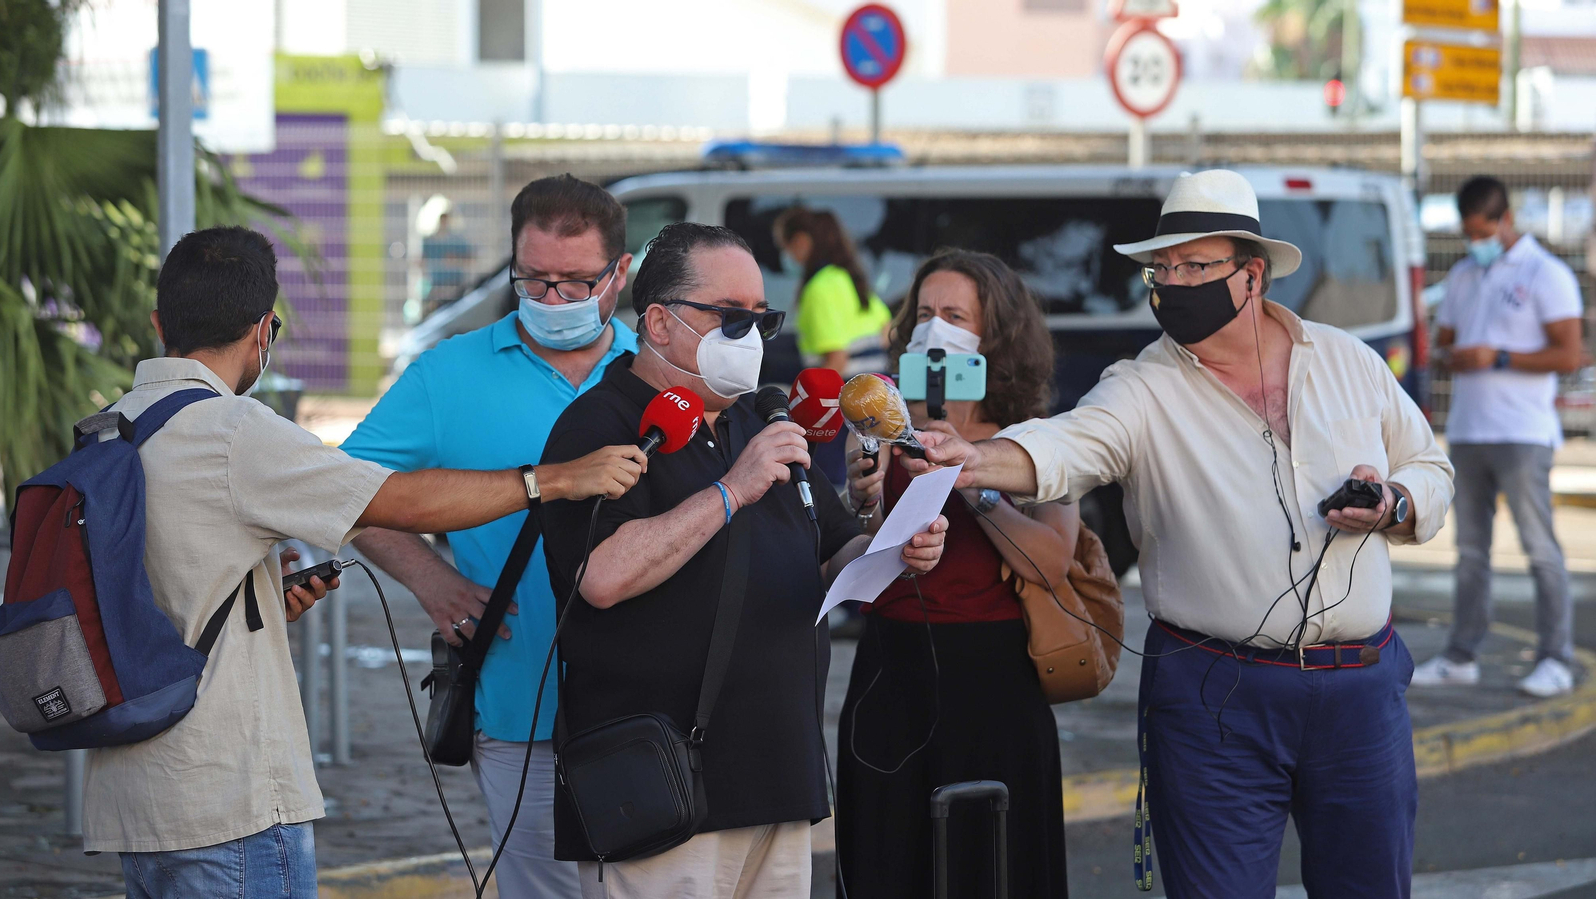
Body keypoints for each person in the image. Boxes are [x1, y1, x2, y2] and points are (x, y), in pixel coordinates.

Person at [900, 170, 1456, 898]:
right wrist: (976, 459)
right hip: (1213, 695)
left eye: (1195, 265)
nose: (1171, 282)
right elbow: (1067, 444)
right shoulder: (1140, 385)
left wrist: (1396, 501)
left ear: (1251, 275)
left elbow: (1430, 464)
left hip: (1360, 689)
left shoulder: (1348, 361)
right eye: (1161, 267)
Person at [92, 226, 644, 899]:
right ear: (266, 330)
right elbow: (392, 498)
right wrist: (548, 481)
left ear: (159, 324)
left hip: (133, 797)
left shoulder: (112, 426)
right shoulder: (237, 430)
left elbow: (163, 588)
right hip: (229, 794)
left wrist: (267, 603)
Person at [539, 222, 949, 899]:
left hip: (778, 776)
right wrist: (731, 490)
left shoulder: (758, 419)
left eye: (762, 318)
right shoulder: (599, 424)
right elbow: (602, 577)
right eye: (731, 318)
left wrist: (896, 539)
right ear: (662, 323)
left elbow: (831, 551)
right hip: (663, 788)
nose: (751, 338)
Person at [340, 174, 639, 896]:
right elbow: (344, 492)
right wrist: (430, 579)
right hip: (514, 707)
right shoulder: (449, 373)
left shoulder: (659, 369)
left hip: (647, 712)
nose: (553, 300)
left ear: (620, 275)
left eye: (576, 282)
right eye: (533, 279)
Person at [837, 249, 1075, 898]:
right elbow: (853, 548)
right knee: (892, 860)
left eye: (954, 315)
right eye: (923, 314)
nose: (934, 328)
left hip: (994, 681)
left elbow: (1053, 560)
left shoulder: (1036, 439)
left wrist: (974, 478)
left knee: (994, 866)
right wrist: (863, 498)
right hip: (892, 672)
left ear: (992, 335)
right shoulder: (883, 422)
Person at [1412, 175, 1586, 697]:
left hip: (1523, 433)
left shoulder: (1545, 273)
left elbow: (1569, 354)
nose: (1474, 242)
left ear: (1505, 219)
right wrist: (1453, 355)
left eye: (1481, 231)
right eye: (1467, 233)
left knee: (1539, 548)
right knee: (1470, 551)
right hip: (1469, 430)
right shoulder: (1464, 275)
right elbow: (1442, 343)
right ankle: (1462, 654)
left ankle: (1556, 656)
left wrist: (1500, 357)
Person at [775, 208, 893, 485]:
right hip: (872, 403)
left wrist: (802, 408)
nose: (785, 255)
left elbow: (837, 360)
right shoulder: (848, 278)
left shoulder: (820, 287)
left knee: (832, 487)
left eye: (784, 246)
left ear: (801, 242)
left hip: (838, 409)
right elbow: (887, 332)